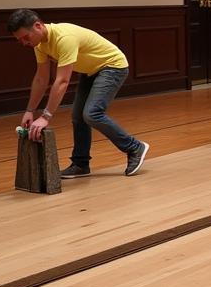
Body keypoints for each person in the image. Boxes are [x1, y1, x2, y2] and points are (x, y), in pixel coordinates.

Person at [9, 9, 149, 177]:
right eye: (20, 40)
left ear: (38, 26)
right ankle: (81, 164)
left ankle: (135, 147)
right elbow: (41, 79)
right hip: (90, 71)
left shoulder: (64, 38)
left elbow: (62, 81)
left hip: (112, 66)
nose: (24, 42)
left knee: (92, 114)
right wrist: (30, 111)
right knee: (78, 116)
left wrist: (45, 116)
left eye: (26, 37)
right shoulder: (39, 44)